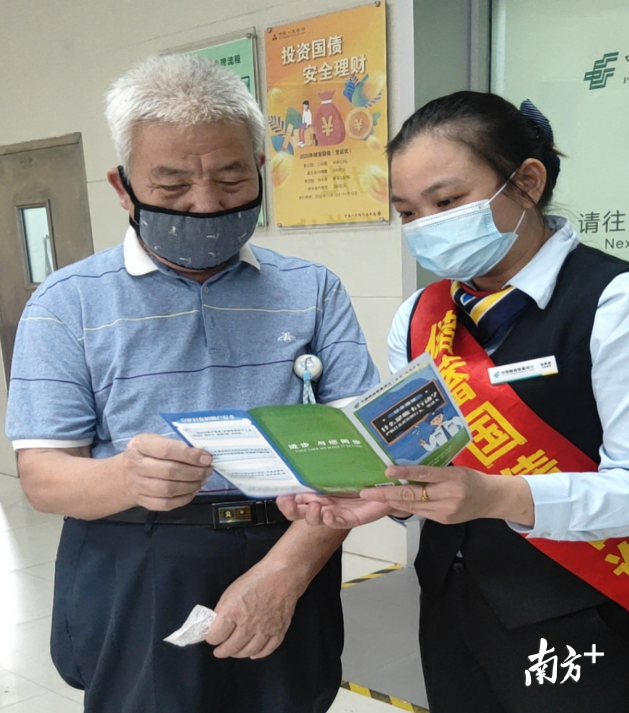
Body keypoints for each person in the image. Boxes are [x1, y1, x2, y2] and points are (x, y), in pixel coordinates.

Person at [5, 54, 379, 713]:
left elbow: (362, 454)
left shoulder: (311, 290)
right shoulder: (68, 302)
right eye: (173, 185)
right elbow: (42, 475)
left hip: (287, 542)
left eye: (231, 178)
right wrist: (125, 477)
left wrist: (283, 574)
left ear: (261, 172)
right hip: (136, 555)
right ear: (123, 187)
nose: (205, 203)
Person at [278, 91, 629, 712]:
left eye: (447, 202)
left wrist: (498, 496)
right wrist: (374, 495)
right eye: (408, 211)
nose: (427, 227)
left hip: (588, 604)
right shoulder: (420, 316)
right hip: (450, 601)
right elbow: (414, 458)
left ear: (526, 181)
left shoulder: (611, 304)